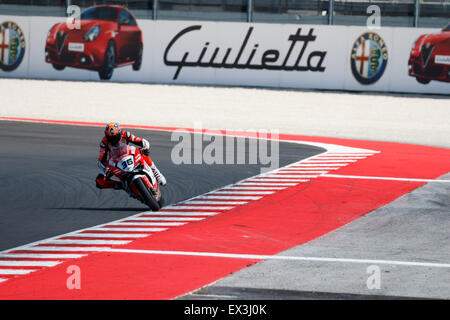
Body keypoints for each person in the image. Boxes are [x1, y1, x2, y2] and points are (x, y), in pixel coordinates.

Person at [95, 122, 166, 190]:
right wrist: (105, 169)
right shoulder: (104, 143)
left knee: (143, 153)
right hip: (116, 162)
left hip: (128, 155)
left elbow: (142, 141)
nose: (113, 140)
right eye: (110, 138)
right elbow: (100, 161)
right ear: (106, 136)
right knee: (99, 181)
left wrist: (145, 148)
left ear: (120, 133)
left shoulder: (126, 134)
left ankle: (156, 173)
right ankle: (122, 185)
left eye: (115, 137)